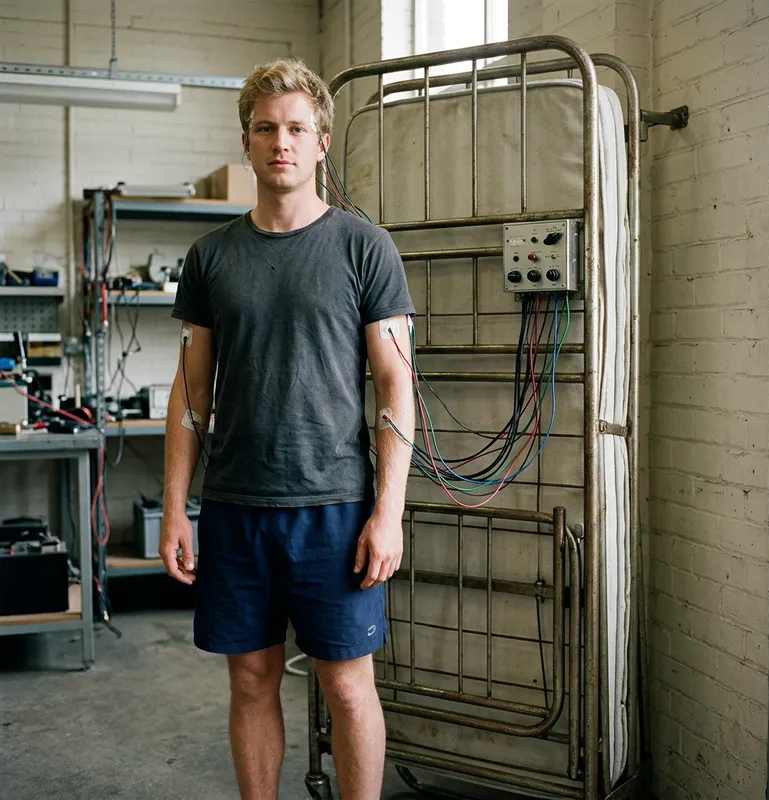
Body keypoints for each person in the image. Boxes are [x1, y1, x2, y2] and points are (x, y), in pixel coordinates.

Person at [159, 58, 416, 800]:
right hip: (238, 508)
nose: (282, 142)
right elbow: (189, 392)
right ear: (246, 142)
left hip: (335, 509)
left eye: (297, 128)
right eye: (267, 129)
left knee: (346, 682)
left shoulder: (364, 247)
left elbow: (397, 383)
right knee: (250, 678)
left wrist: (388, 512)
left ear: (322, 142)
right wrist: (178, 507)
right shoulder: (210, 259)